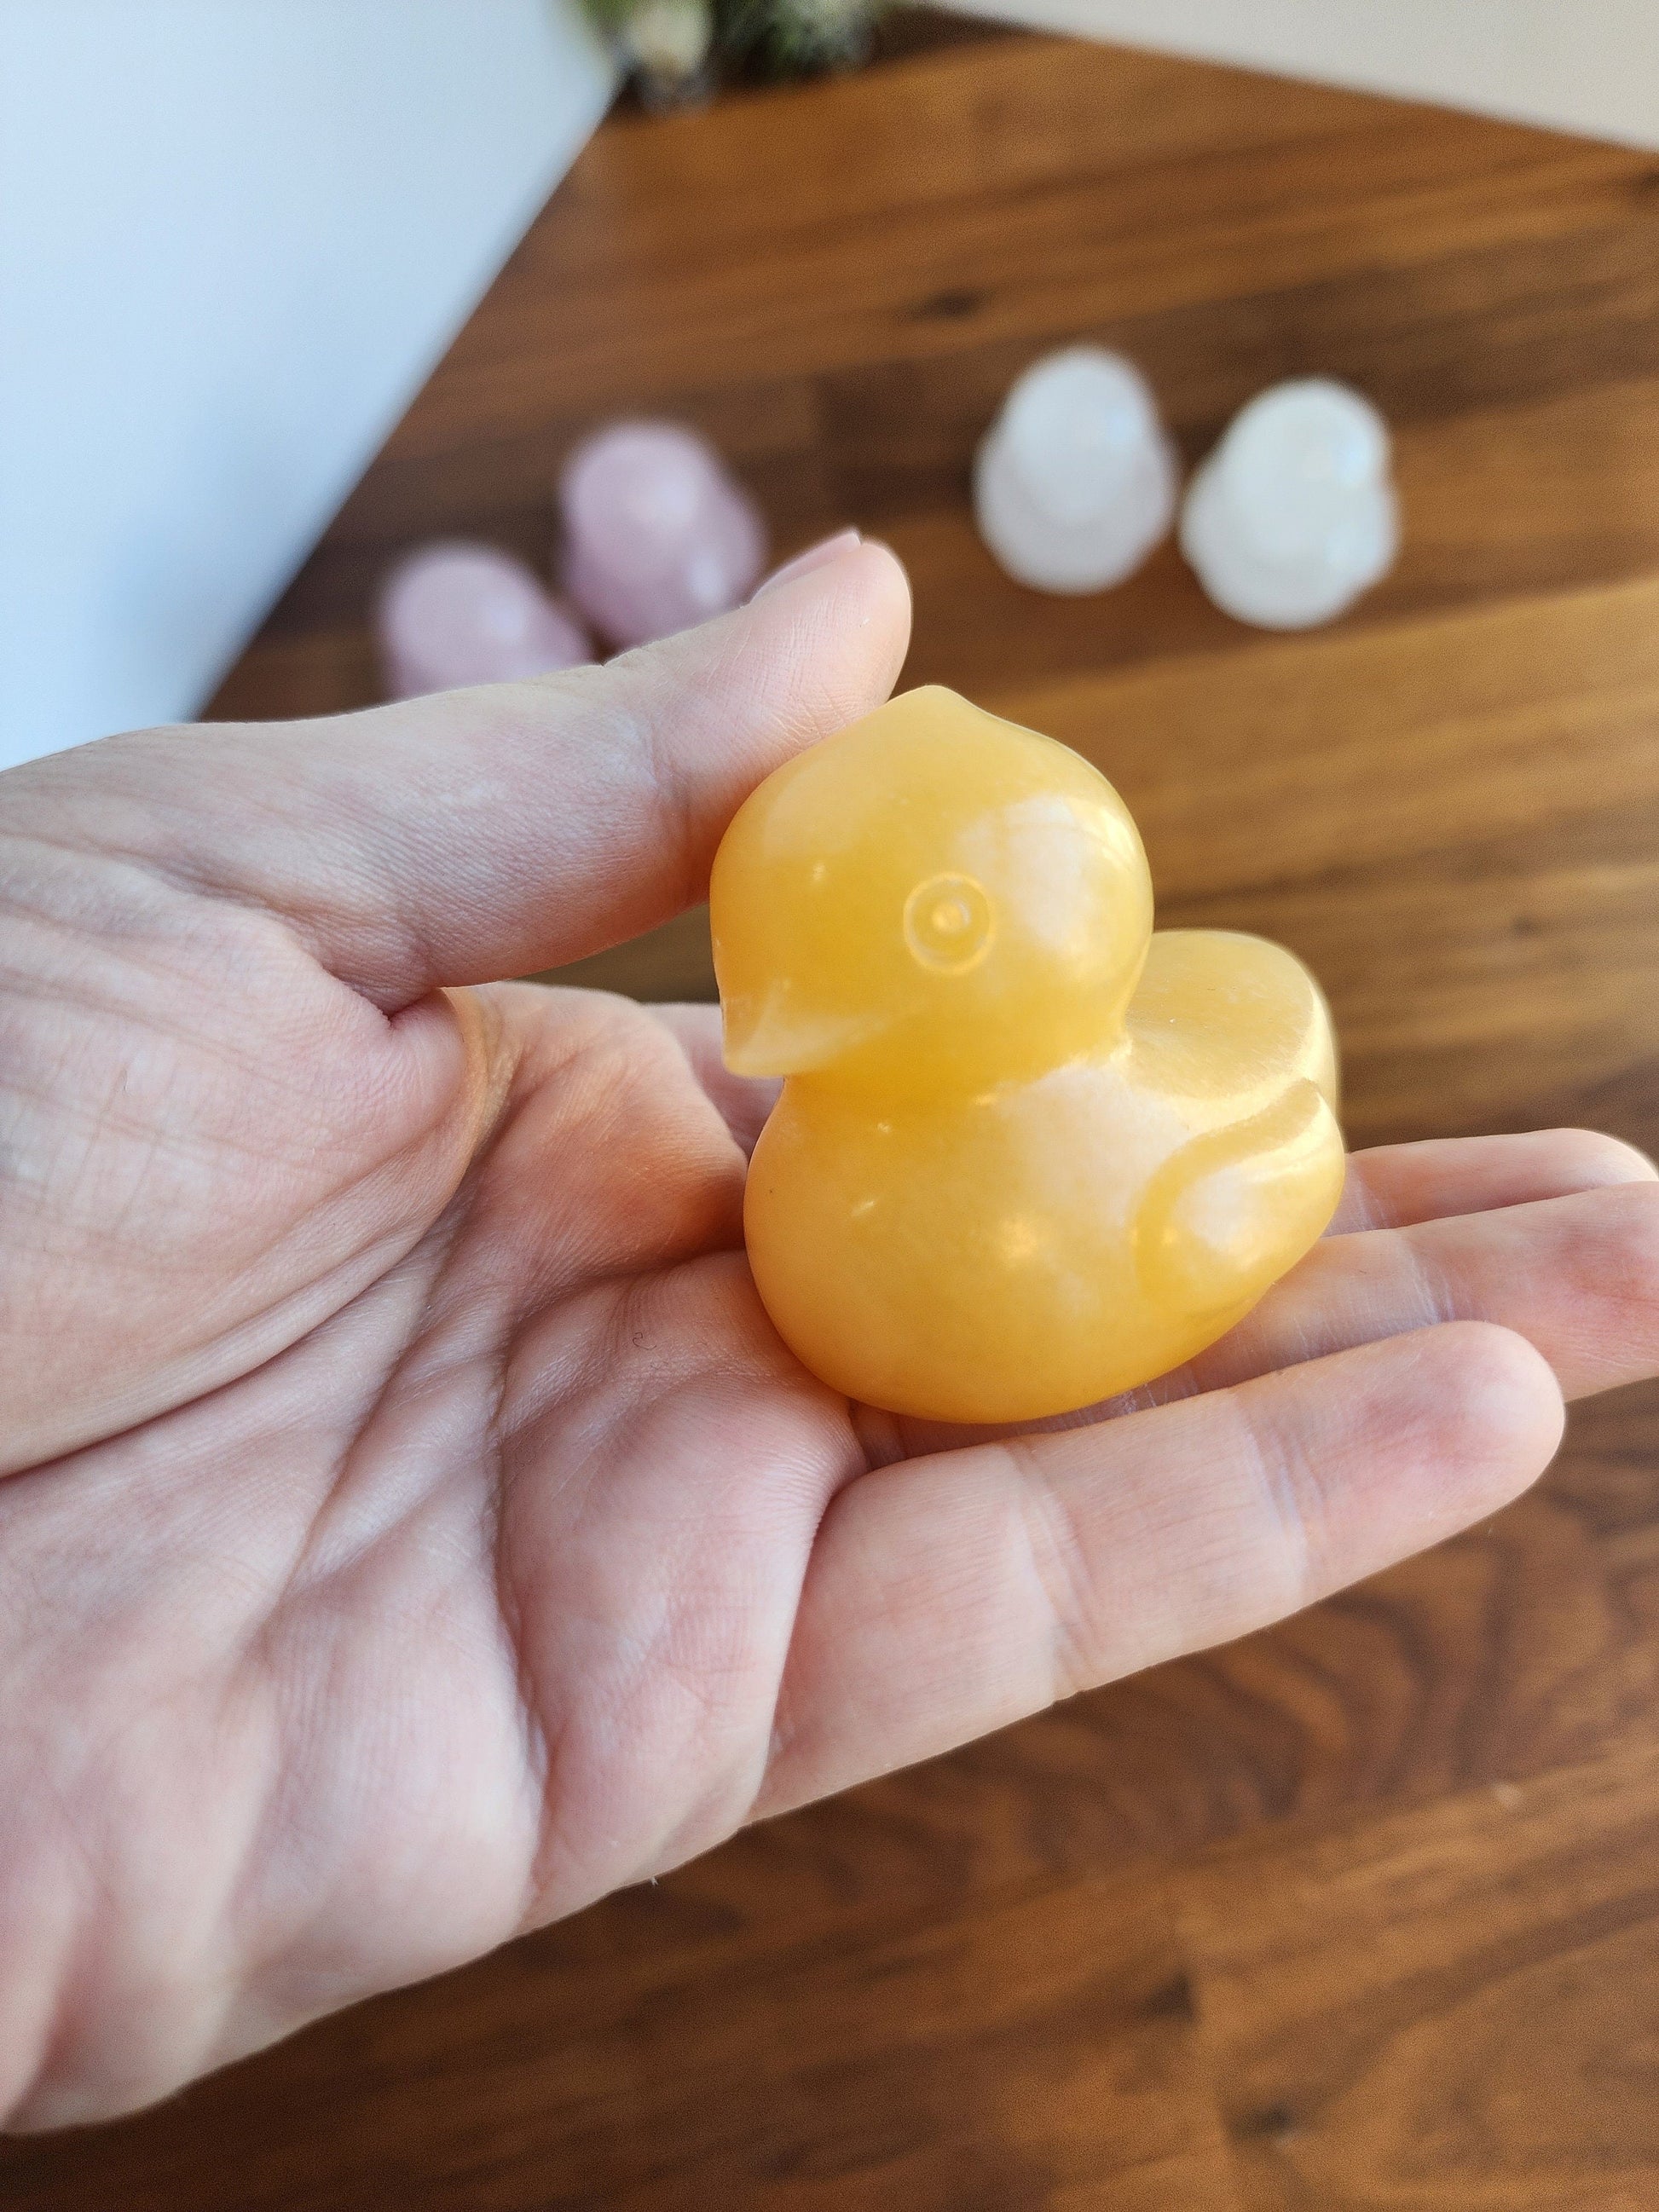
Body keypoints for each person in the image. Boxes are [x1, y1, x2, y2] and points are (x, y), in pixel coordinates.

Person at [2, 534, 1656, 2132]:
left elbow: (1271, 1150)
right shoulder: (823, 1175)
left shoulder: (1132, 1184)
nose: (770, 1020)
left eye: (928, 933)